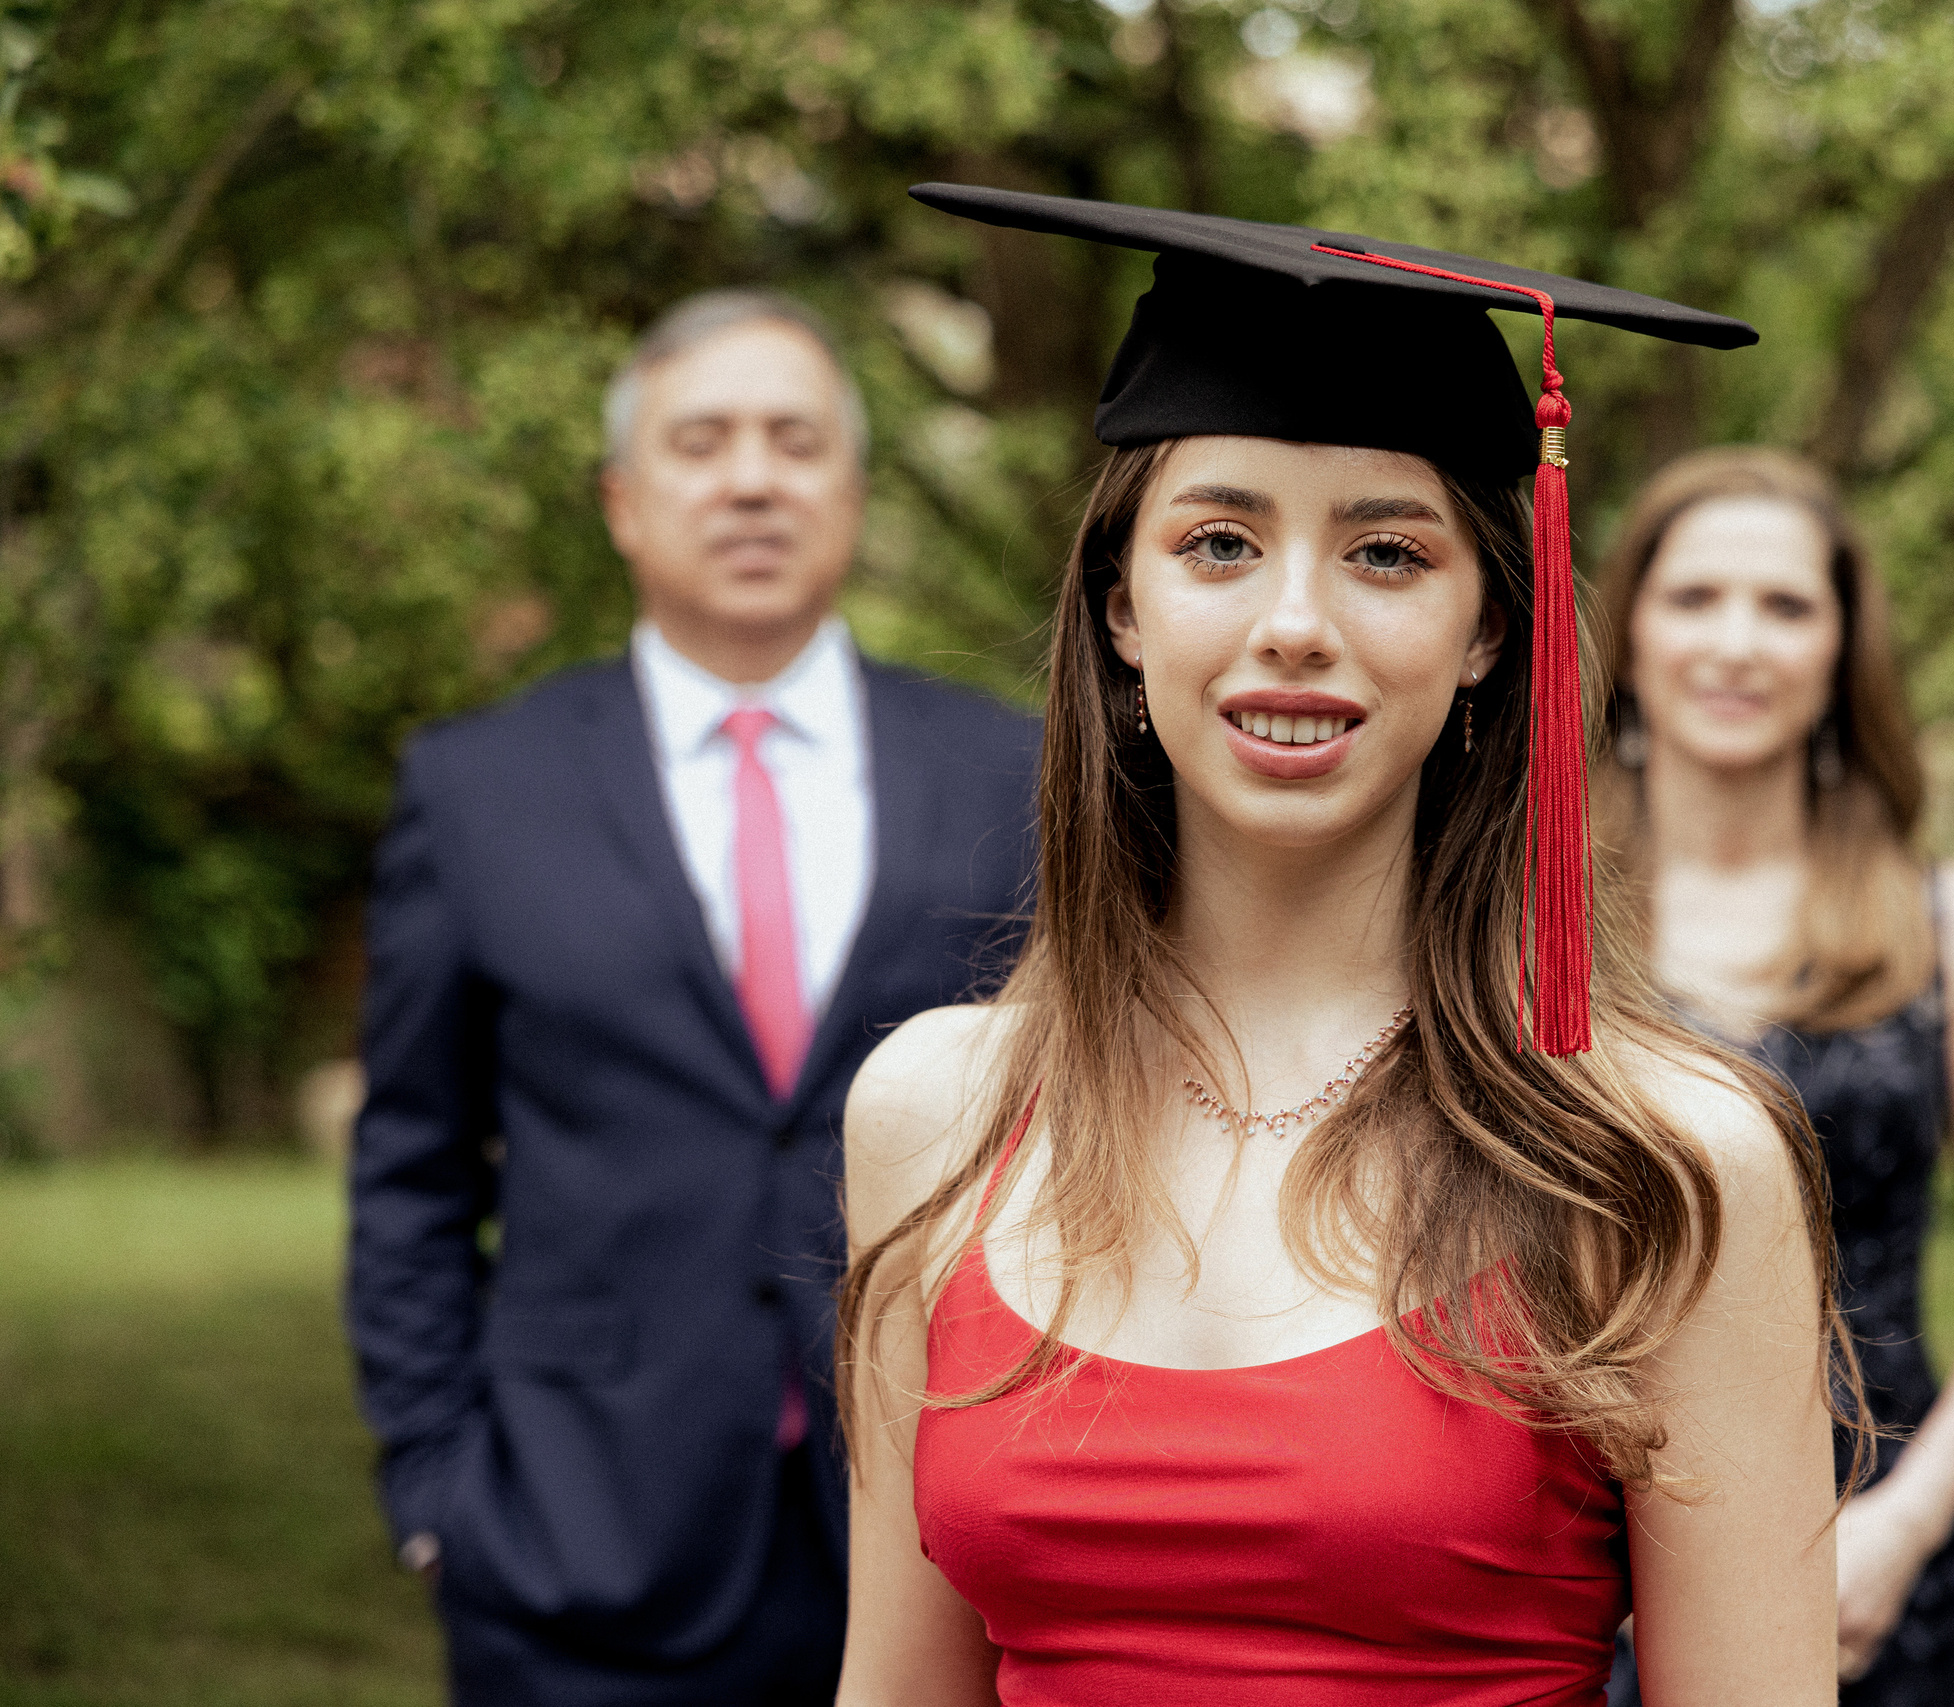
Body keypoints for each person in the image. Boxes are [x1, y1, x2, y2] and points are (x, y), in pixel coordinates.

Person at [828, 185, 1857, 1707]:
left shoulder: (1654, 1163)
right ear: (1123, 609)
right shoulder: (938, 1113)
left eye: (1386, 552)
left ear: (1487, 631)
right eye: (1221, 541)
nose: (1295, 620)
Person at [344, 289, 1039, 1704]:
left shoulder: (1009, 774)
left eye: (794, 439)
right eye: (700, 440)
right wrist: (436, 1488)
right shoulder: (478, 788)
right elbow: (410, 1166)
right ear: (623, 501)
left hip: (935, 1532)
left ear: (850, 488)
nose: (750, 477)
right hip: (571, 1542)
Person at [1590, 448, 1954, 1706]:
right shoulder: (1536, 917)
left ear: (1840, 651)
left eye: (1786, 606)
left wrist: (1908, 1524)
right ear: (1630, 630)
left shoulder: (1940, 920)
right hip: (1585, 1540)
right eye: (1695, 598)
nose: (1737, 643)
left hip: (1870, 1540)